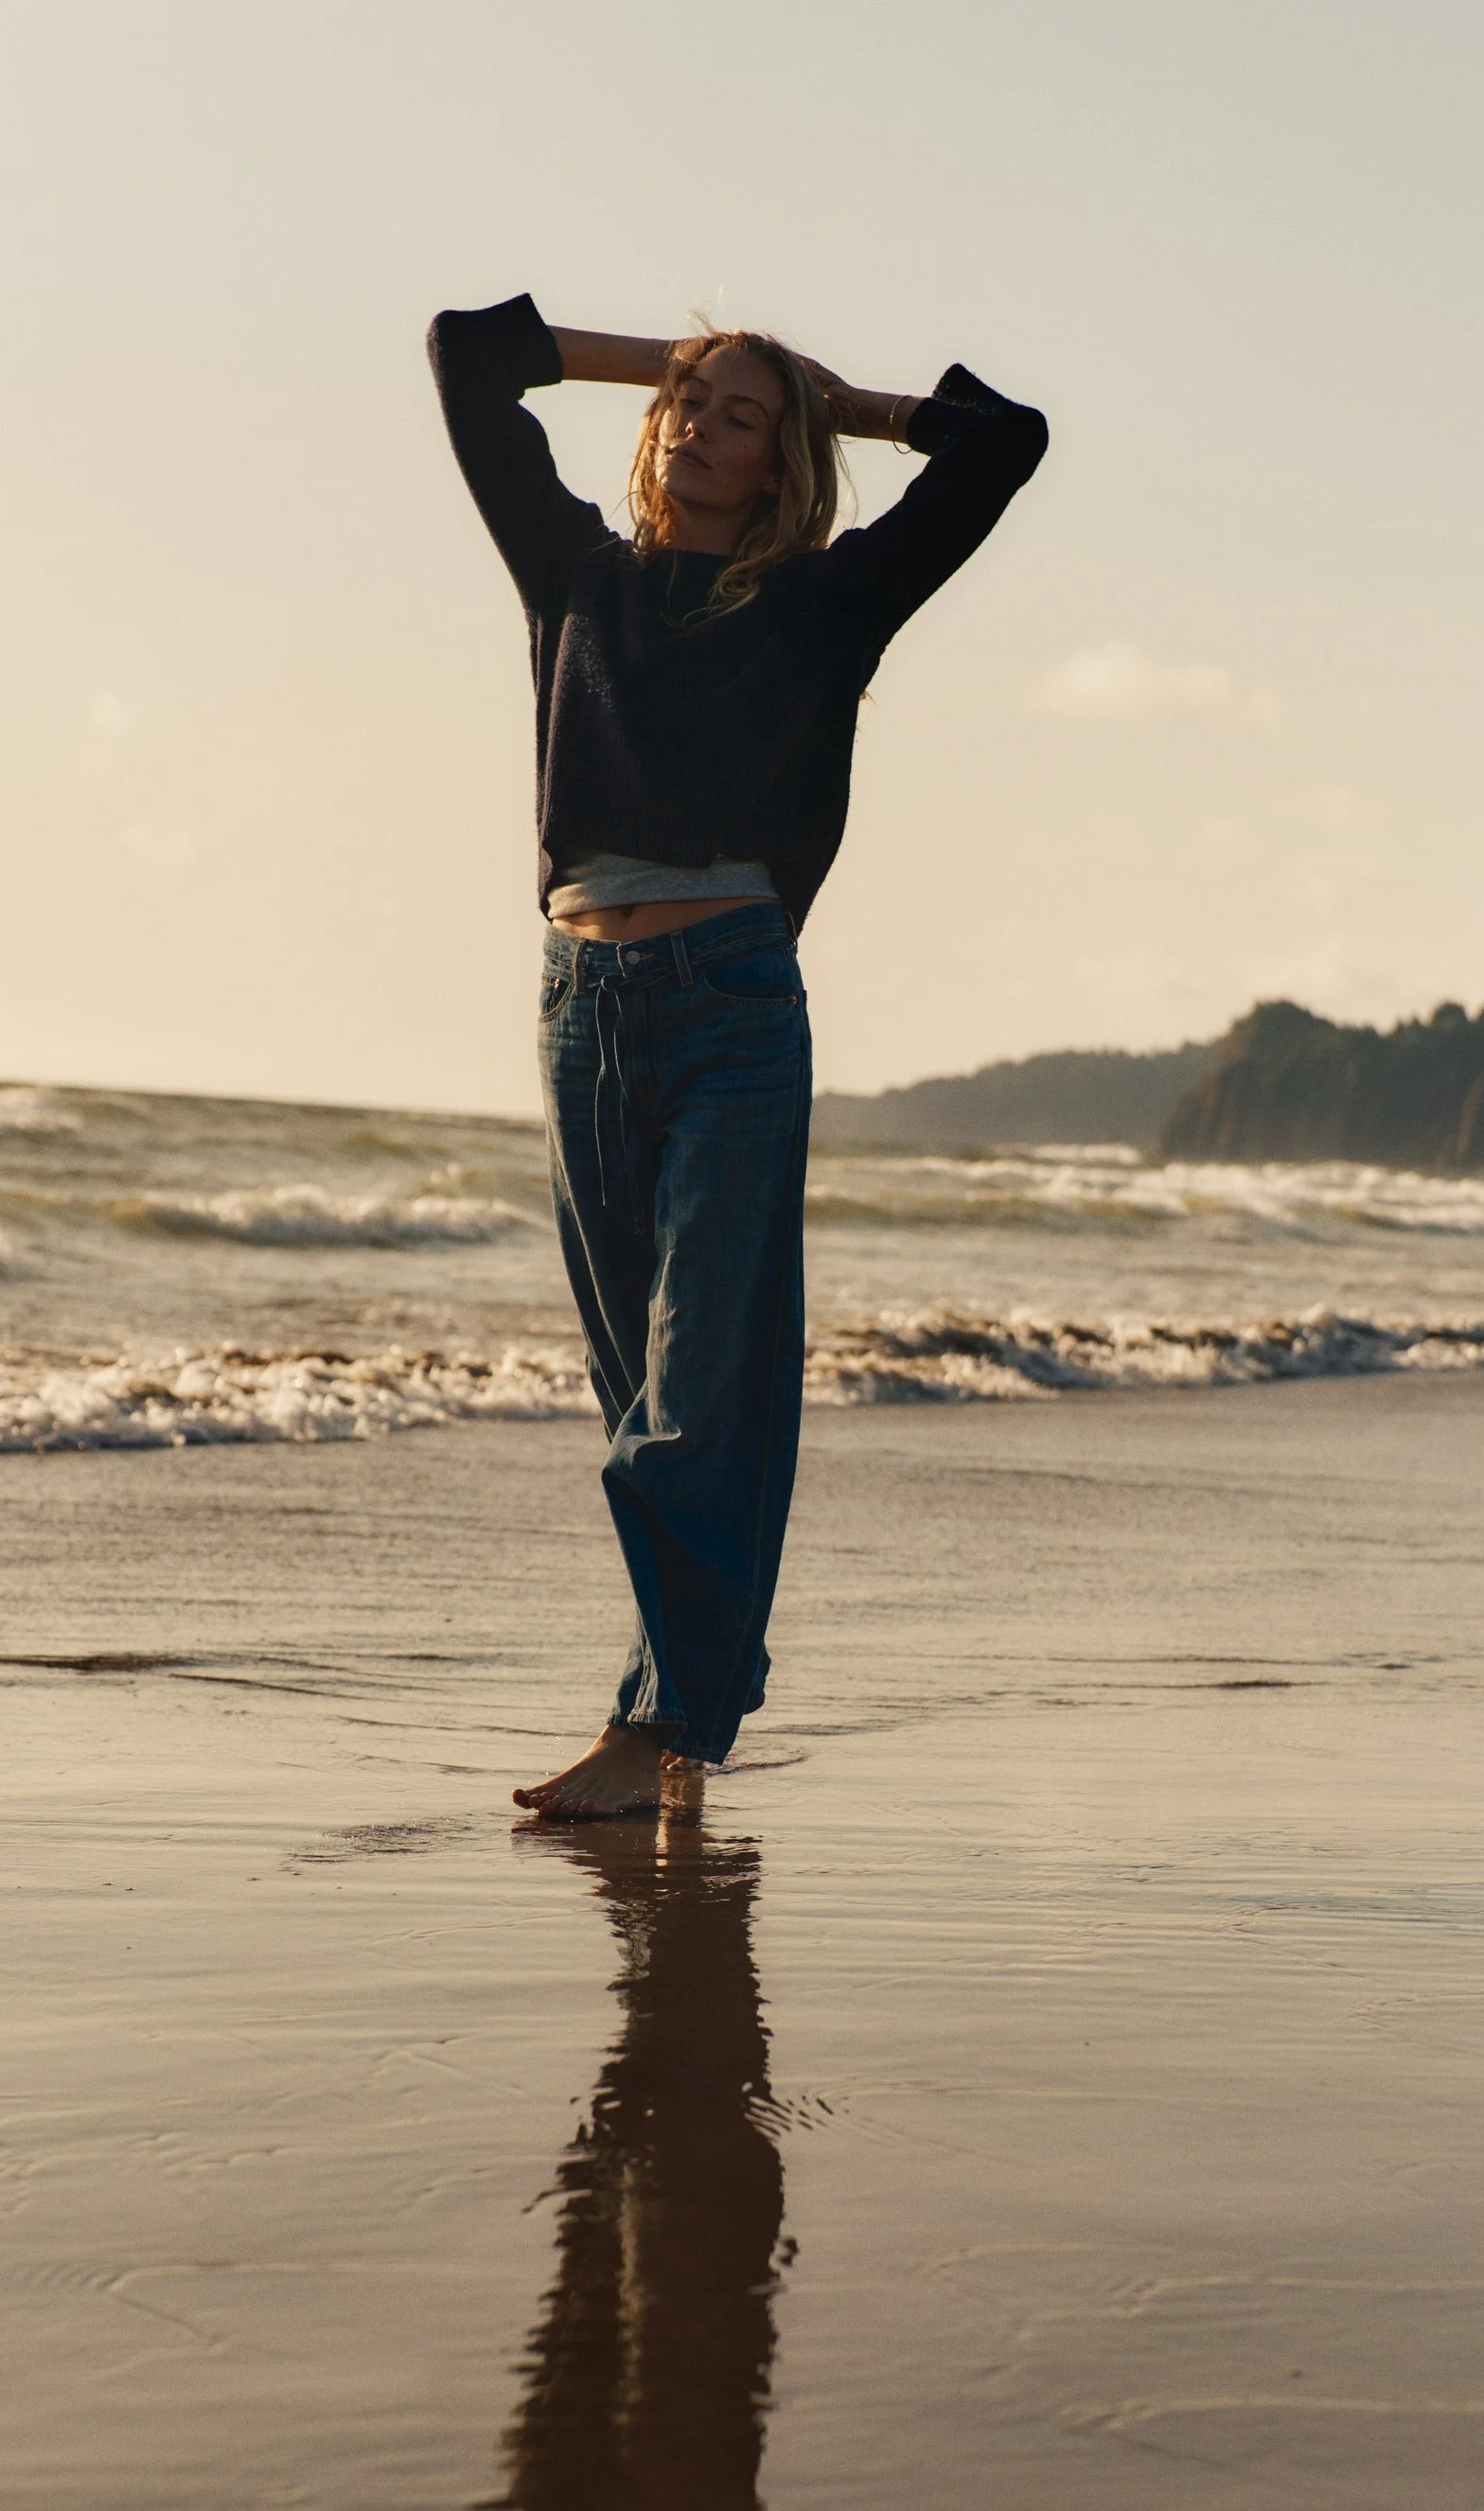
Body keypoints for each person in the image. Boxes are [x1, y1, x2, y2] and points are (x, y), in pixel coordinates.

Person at [428, 293, 1046, 1818]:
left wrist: (846, 403)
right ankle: (679, 1727)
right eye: (689, 408)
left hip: (732, 1000)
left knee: (702, 1387)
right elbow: (464, 353)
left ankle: (660, 1727)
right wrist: (684, 359)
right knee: (640, 1382)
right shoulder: (572, 573)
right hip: (582, 1001)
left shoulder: (830, 602)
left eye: (739, 415)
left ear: (789, 457)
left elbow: (1004, 444)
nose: (702, 426)